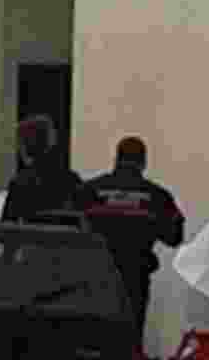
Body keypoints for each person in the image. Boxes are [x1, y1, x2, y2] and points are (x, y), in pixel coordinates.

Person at [77, 136, 185, 338]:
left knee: (95, 339)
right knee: (130, 338)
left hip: (96, 278)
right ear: (143, 163)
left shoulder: (89, 191)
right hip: (135, 278)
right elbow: (175, 236)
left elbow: (71, 231)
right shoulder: (156, 196)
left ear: (116, 159)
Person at [1, 115, 84, 224]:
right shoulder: (72, 179)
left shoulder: (20, 183)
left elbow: (7, 226)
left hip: (31, 240)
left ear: (25, 146)